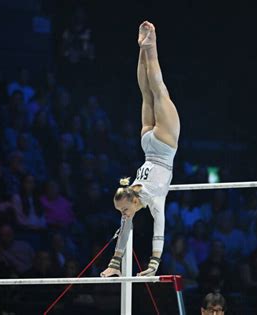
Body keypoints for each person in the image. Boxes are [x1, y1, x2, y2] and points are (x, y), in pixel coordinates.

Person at [100, 21, 180, 277]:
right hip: (147, 143)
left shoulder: (151, 199)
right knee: (148, 93)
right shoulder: (132, 196)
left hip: (163, 147)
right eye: (122, 212)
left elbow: (160, 229)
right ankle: (143, 47)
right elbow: (125, 232)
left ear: (132, 202)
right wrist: (114, 265)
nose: (124, 215)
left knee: (157, 90)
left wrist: (154, 264)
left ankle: (150, 44)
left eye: (124, 210)